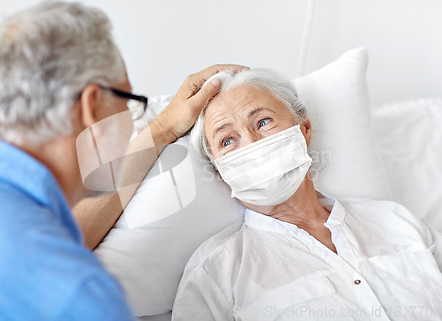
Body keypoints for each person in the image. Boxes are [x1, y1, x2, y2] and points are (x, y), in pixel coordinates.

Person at [0, 0, 245, 319]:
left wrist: (164, 128)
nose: (130, 117)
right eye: (129, 100)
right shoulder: (84, 296)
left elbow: (60, 233)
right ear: (91, 105)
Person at [172, 68, 442, 320]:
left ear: (304, 130)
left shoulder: (397, 221)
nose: (252, 145)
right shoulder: (216, 273)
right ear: (219, 171)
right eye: (227, 141)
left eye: (263, 121)